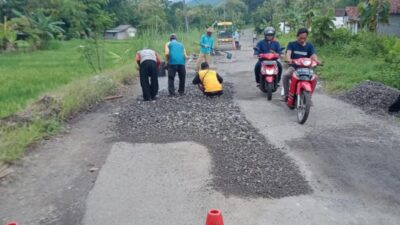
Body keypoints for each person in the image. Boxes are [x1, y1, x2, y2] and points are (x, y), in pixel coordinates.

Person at [282, 28, 321, 101]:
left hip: (307, 69)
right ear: (297, 36)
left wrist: (316, 61)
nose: (302, 40)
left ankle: (309, 97)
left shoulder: (310, 46)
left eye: (304, 38)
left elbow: (313, 55)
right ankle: (286, 95)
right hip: (294, 67)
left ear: (307, 38)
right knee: (285, 75)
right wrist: (288, 59)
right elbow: (288, 54)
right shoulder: (291, 44)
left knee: (314, 78)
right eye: (300, 38)